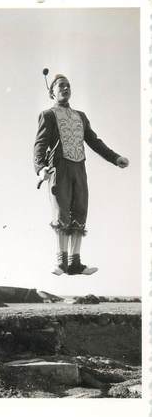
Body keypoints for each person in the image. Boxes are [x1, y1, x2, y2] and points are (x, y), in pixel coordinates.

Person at [34, 74, 129, 276]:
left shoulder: (81, 116)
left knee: (79, 211)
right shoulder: (48, 115)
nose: (65, 89)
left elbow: (94, 141)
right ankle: (61, 263)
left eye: (68, 85)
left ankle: (75, 263)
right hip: (59, 168)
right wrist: (40, 167)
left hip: (79, 167)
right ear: (52, 92)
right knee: (61, 212)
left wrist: (115, 158)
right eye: (61, 86)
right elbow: (40, 143)